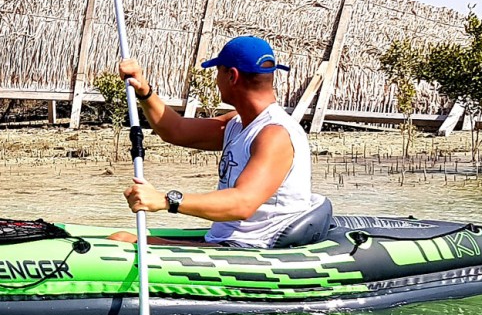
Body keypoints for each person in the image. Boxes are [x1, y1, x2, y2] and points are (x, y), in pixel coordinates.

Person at [112, 35, 328, 248]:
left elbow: (242, 203)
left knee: (121, 242)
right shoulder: (237, 122)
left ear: (232, 76)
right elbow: (175, 130)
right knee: (119, 237)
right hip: (228, 239)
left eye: (218, 72)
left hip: (254, 246)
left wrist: (165, 200)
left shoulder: (274, 134)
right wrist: (144, 91)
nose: (216, 81)